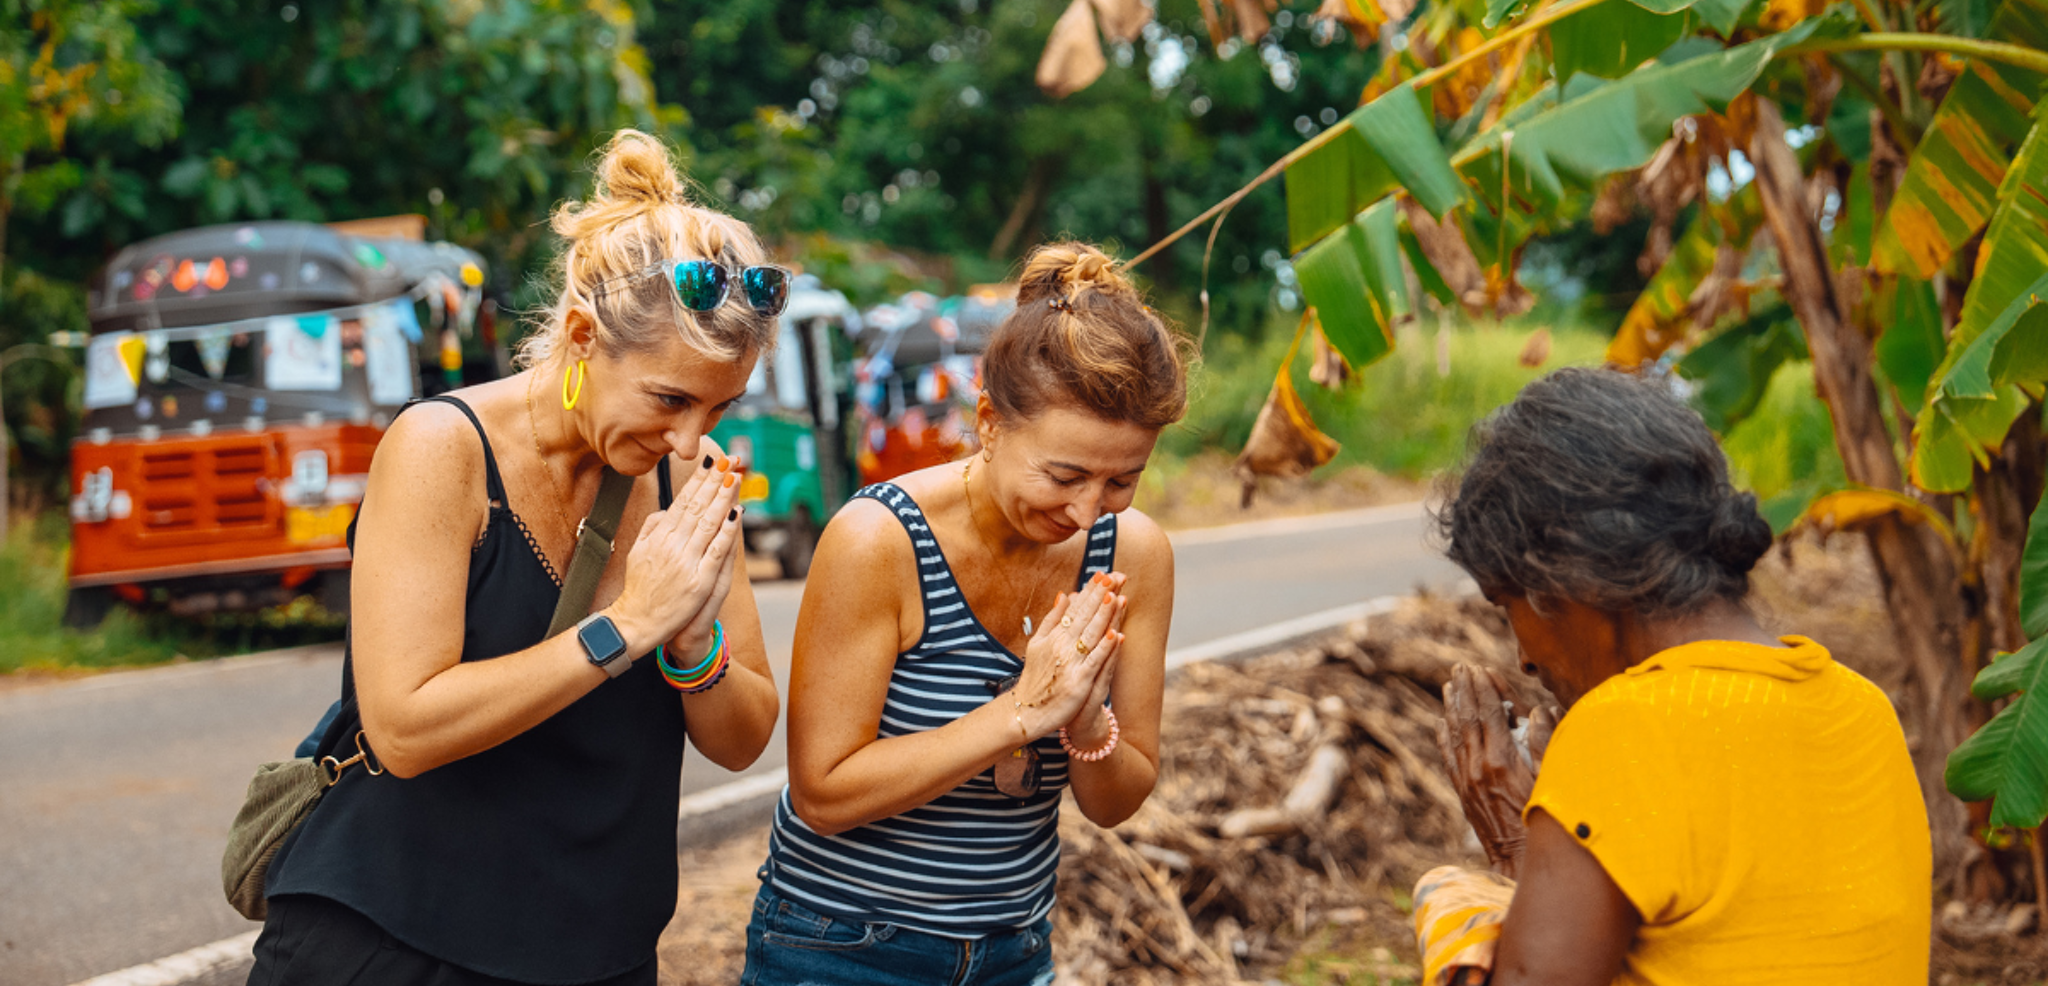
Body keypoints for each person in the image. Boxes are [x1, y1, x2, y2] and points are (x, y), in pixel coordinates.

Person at [250, 130, 783, 986]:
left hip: (595, 951)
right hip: (396, 939)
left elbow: (745, 735)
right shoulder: (441, 450)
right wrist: (629, 625)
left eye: (719, 407)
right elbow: (405, 729)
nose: (690, 437)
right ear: (579, 334)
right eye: (670, 399)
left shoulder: (688, 471)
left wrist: (691, 642)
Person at [744, 242, 1190, 986]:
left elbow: (1118, 800)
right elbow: (824, 792)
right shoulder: (877, 540)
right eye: (1065, 474)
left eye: (1122, 480)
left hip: (1012, 949)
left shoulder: (1135, 556)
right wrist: (1021, 712)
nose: (1086, 512)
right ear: (988, 420)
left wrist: (1084, 723)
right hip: (840, 947)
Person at [1413, 366, 1931, 986]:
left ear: (1565, 572)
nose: (1522, 658)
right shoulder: (1862, 710)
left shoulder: (1623, 731)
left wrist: (1512, 850)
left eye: (1507, 606)